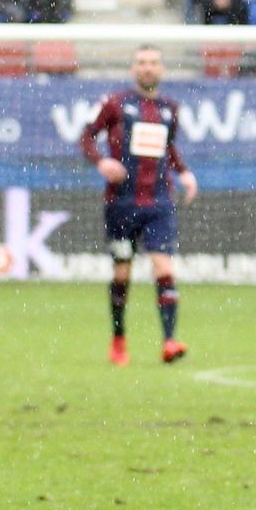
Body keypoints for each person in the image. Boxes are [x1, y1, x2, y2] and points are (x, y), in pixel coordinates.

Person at [78, 46, 199, 366]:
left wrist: (184, 173)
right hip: (121, 202)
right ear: (133, 69)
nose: (148, 68)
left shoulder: (170, 109)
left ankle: (169, 341)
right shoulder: (114, 104)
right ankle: (119, 340)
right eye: (142, 63)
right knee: (122, 274)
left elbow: (168, 148)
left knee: (164, 267)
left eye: (154, 63)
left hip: (159, 201)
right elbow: (87, 137)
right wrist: (102, 162)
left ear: (162, 70)